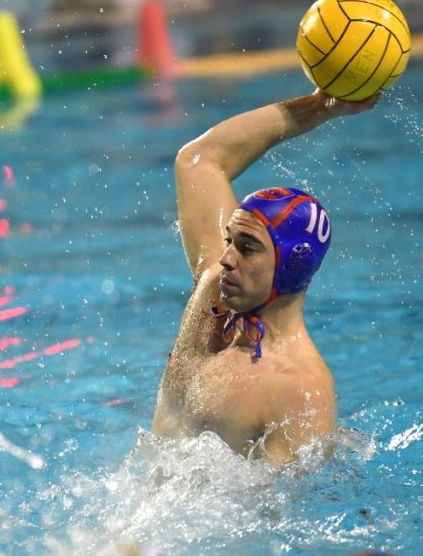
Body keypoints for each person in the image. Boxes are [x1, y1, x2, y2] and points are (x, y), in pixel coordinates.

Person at [151, 90, 377, 463]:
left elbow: (290, 499)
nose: (225, 258)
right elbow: (199, 160)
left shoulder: (299, 388)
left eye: (247, 247)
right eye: (229, 240)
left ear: (291, 265)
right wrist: (319, 107)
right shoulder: (212, 293)